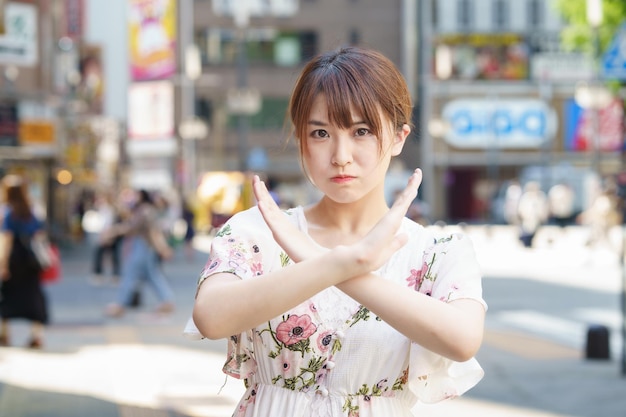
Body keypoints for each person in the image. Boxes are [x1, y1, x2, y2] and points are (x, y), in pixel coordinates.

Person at [185, 47, 486, 416]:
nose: (341, 155)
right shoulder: (258, 231)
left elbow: (462, 339)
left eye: (361, 131)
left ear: (398, 137)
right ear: (301, 139)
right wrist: (343, 263)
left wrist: (336, 264)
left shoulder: (437, 250)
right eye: (321, 133)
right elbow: (211, 318)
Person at [105, 189, 175, 317]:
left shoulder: (144, 211)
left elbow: (141, 230)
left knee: (130, 274)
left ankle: (120, 305)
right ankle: (167, 300)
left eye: (136, 195)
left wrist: (113, 231)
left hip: (141, 246)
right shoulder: (146, 210)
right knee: (152, 275)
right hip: (145, 247)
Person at [0, 175, 49, 348]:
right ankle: (36, 335)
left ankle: (4, 334)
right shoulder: (32, 210)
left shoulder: (7, 212)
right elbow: (40, 235)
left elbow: (6, 239)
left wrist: (3, 263)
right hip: (31, 259)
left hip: (14, 258)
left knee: (7, 295)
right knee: (33, 294)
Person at [90, 190, 122, 285]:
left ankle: (115, 274)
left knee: (113, 255)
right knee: (100, 254)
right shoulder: (100, 209)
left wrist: (109, 234)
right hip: (103, 234)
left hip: (111, 234)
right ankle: (99, 273)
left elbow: (111, 222)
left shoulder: (111, 209)